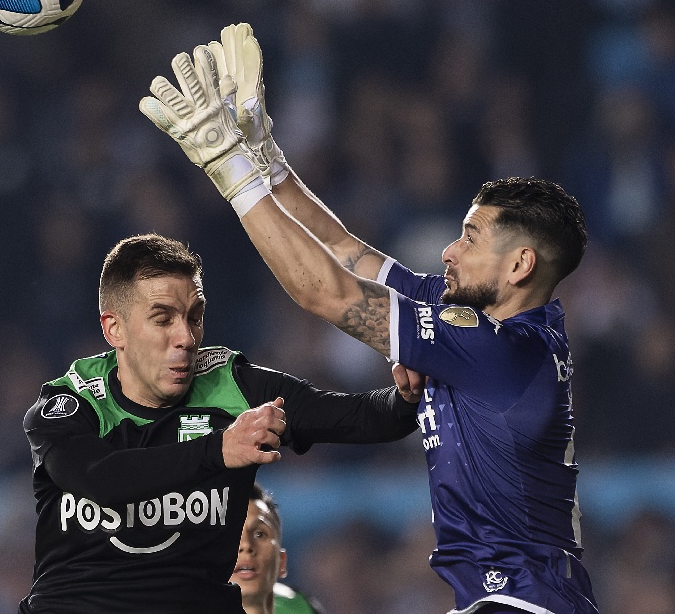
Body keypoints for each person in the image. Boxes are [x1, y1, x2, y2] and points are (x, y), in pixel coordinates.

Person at [141, 24, 598, 614]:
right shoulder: (482, 323)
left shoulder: (498, 350)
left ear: (519, 265)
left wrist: (229, 168)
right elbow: (347, 254)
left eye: (470, 238)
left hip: (523, 604)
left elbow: (325, 292)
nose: (449, 251)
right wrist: (266, 160)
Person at [21, 233, 423, 613]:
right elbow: (97, 477)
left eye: (194, 317)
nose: (186, 337)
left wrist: (405, 398)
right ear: (115, 329)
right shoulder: (73, 402)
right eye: (162, 319)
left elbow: (360, 418)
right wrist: (219, 450)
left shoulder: (234, 387)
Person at [231, 482, 325, 614]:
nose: (246, 545)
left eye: (259, 534)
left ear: (281, 561)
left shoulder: (301, 608)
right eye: (228, 535)